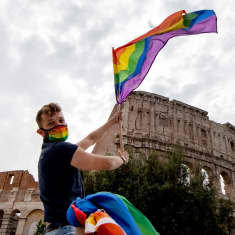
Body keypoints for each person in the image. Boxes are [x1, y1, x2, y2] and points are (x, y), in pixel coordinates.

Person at [36, 103, 129, 235]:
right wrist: (122, 159)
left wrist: (111, 122)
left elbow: (89, 139)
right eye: (51, 123)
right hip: (67, 229)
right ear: (41, 132)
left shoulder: (50, 152)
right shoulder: (60, 150)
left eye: (61, 120)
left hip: (56, 229)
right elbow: (107, 164)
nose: (59, 125)